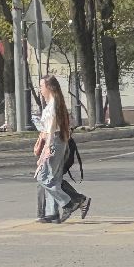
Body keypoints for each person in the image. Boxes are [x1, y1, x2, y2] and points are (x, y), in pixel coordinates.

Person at [32, 75, 89, 223]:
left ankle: (69, 203)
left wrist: (45, 151)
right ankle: (52, 213)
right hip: (59, 142)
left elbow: (50, 131)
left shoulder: (52, 106)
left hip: (54, 142)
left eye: (41, 86)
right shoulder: (55, 103)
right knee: (54, 179)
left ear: (49, 87)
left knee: (42, 177)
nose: (40, 90)